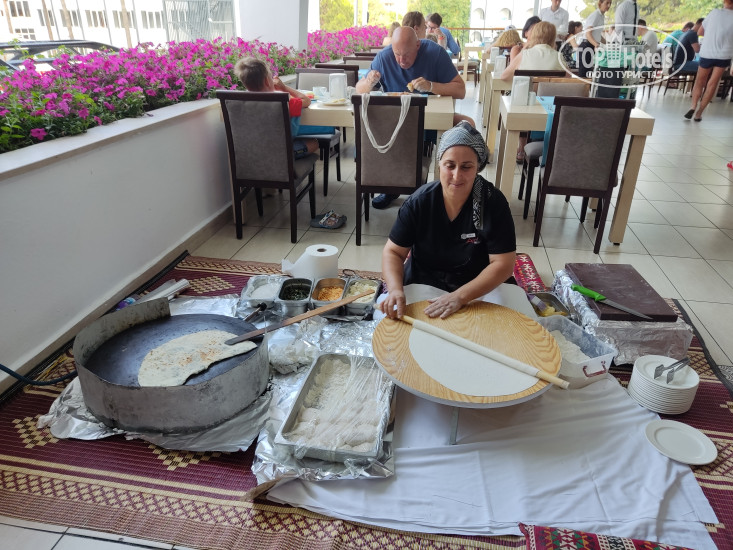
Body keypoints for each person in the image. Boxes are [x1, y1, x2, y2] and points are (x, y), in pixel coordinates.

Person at [380, 122, 516, 320]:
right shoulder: (419, 202)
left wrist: (460, 297)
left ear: (478, 167)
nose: (456, 175)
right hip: (424, 282)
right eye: (450, 165)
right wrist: (394, 289)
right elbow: (393, 252)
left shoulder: (493, 202)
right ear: (439, 164)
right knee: (389, 322)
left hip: (478, 287)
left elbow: (503, 264)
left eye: (466, 167)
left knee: (510, 325)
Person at [355, 26, 472, 209]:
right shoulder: (384, 57)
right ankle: (390, 186)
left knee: (468, 125)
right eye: (397, 54)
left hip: (429, 121)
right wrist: (369, 83)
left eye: (407, 55)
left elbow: (461, 90)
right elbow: (359, 89)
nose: (401, 60)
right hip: (393, 125)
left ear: (418, 45)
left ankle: (444, 190)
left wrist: (431, 86)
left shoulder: (435, 53)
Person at [233, 57, 318, 160]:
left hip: (251, 154)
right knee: (314, 142)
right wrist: (284, 88)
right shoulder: (285, 102)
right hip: (278, 153)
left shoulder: (238, 103)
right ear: (267, 81)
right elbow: (306, 100)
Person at [685, 0, 733, 121]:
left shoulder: (714, 12)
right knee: (712, 83)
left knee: (700, 81)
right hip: (724, 55)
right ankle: (699, 114)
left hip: (707, 52)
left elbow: (700, 32)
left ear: (725, 1)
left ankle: (693, 106)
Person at [501, 21, 566, 81]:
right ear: (553, 38)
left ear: (534, 35)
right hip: (549, 90)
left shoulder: (524, 54)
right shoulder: (558, 56)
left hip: (525, 89)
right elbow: (568, 79)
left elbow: (504, 77)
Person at [577, 0, 613, 79]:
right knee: (584, 76)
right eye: (607, 3)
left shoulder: (601, 16)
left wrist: (609, 43)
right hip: (586, 46)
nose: (609, 5)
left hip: (590, 46)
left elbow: (598, 35)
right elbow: (588, 33)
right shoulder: (596, 15)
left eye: (610, 3)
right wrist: (596, 45)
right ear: (600, 3)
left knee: (588, 75)